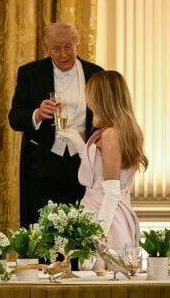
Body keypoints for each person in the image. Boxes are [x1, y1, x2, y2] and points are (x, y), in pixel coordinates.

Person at [8, 22, 103, 227]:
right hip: (42, 163)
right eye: (56, 48)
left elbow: (105, 118)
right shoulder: (30, 73)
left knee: (80, 224)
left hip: (83, 161)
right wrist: (37, 114)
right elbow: (15, 118)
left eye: (68, 47)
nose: (63, 54)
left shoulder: (96, 73)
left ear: (77, 44)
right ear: (46, 49)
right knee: (41, 226)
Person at [58, 71, 146, 255]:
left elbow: (112, 192)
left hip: (106, 220)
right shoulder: (119, 131)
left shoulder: (110, 135)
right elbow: (100, 171)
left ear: (100, 99)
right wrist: (81, 145)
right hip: (105, 215)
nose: (88, 101)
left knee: (99, 278)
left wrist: (97, 239)